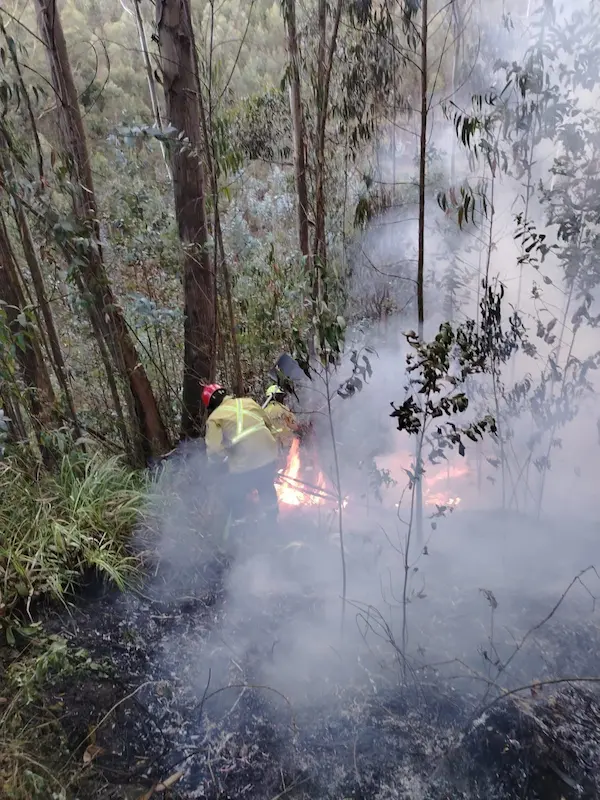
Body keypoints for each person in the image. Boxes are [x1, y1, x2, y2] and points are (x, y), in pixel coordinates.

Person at [203, 383, 280, 524]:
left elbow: (214, 451)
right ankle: (272, 522)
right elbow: (269, 426)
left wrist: (217, 465)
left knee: (234, 493)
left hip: (245, 463)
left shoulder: (214, 418)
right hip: (269, 455)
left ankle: (241, 524)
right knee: (266, 486)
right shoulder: (248, 402)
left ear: (211, 405)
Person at [263, 384, 297, 456]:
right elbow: (294, 426)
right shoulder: (284, 409)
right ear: (277, 396)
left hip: (271, 447)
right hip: (286, 445)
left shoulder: (264, 412)